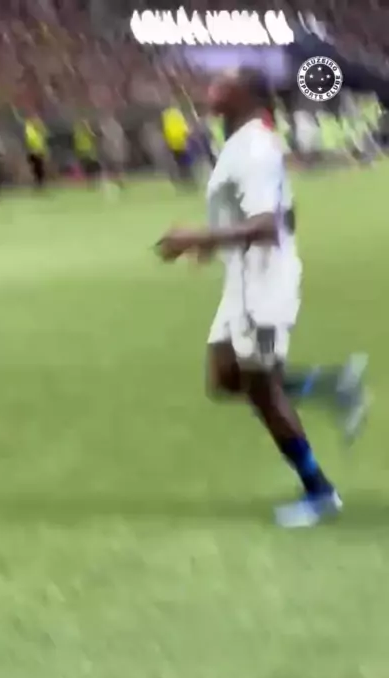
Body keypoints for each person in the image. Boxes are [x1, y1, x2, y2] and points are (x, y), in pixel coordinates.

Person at [155, 68, 368, 528]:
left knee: (263, 390)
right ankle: (332, 386)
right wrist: (210, 244)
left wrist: (197, 238)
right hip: (244, 282)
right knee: (225, 377)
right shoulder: (239, 142)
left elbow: (267, 225)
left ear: (247, 95)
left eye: (222, 84)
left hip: (266, 285)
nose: (211, 89)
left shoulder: (255, 148)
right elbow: (272, 213)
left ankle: (319, 492)